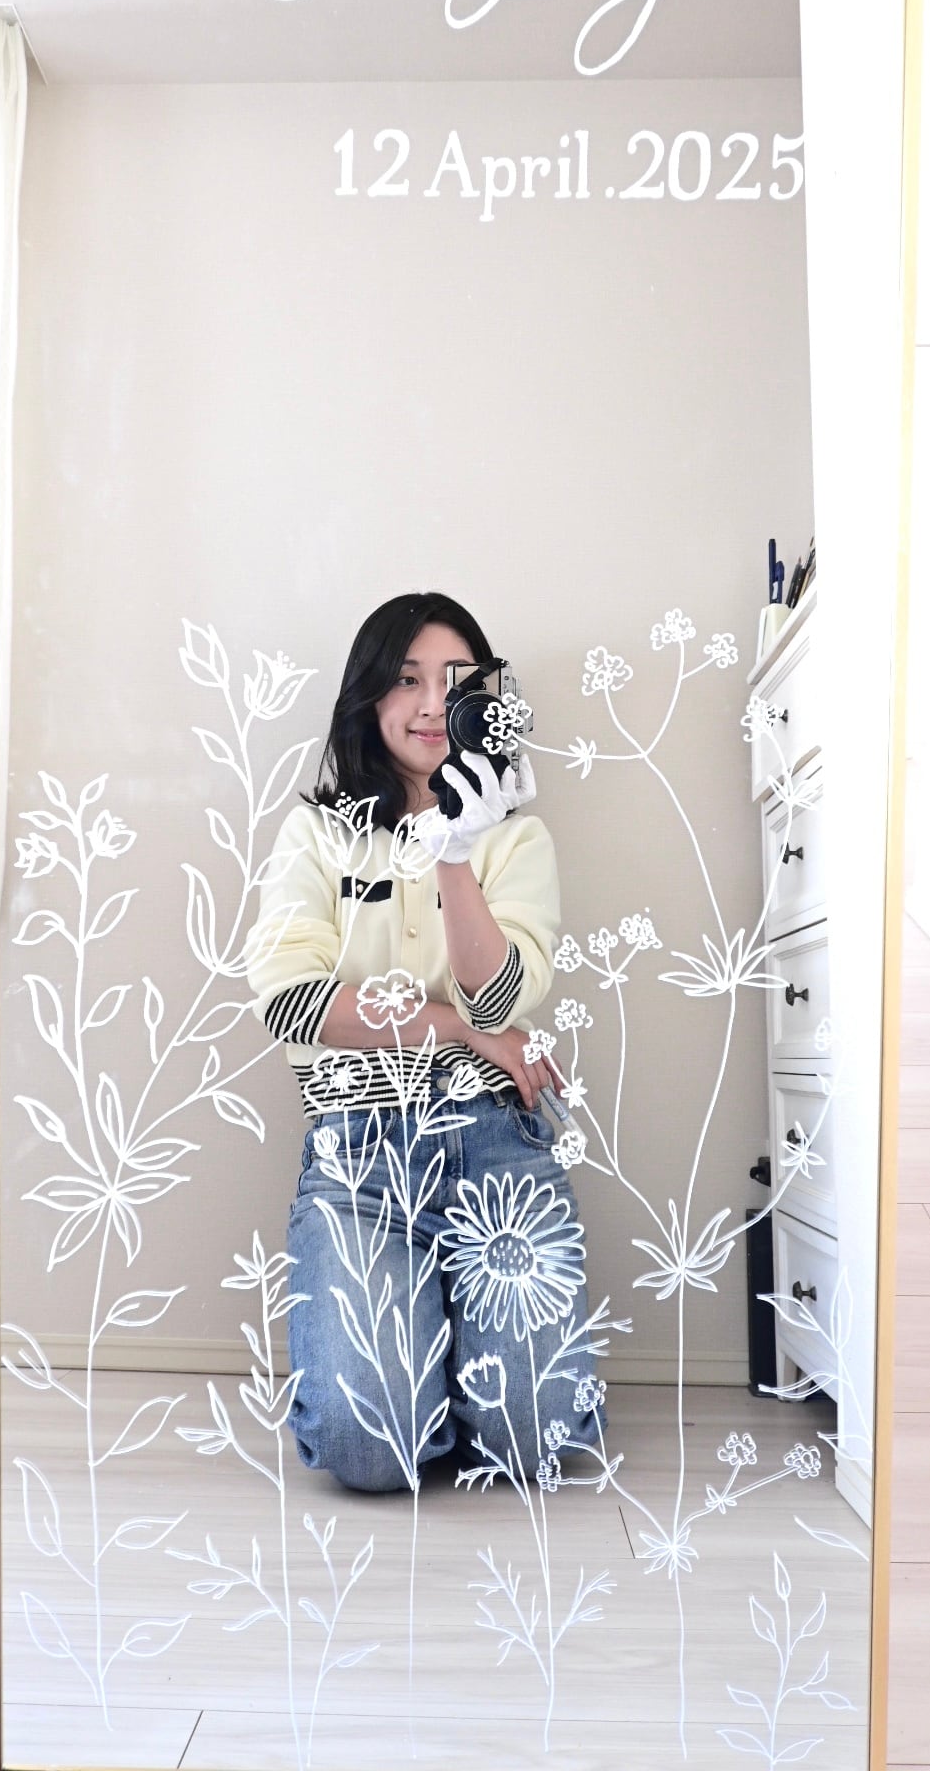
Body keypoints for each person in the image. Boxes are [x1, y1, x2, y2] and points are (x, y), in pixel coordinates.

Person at [243, 592, 602, 1493]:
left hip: (497, 1144)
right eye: (407, 679)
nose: (434, 703)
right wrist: (463, 1031)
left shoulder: (515, 840)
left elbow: (502, 993)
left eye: (456, 680)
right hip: (361, 1153)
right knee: (369, 1448)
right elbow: (292, 1003)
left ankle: (465, 1379)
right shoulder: (317, 835)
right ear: (369, 696)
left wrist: (454, 854)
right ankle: (422, 1380)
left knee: (532, 1441)